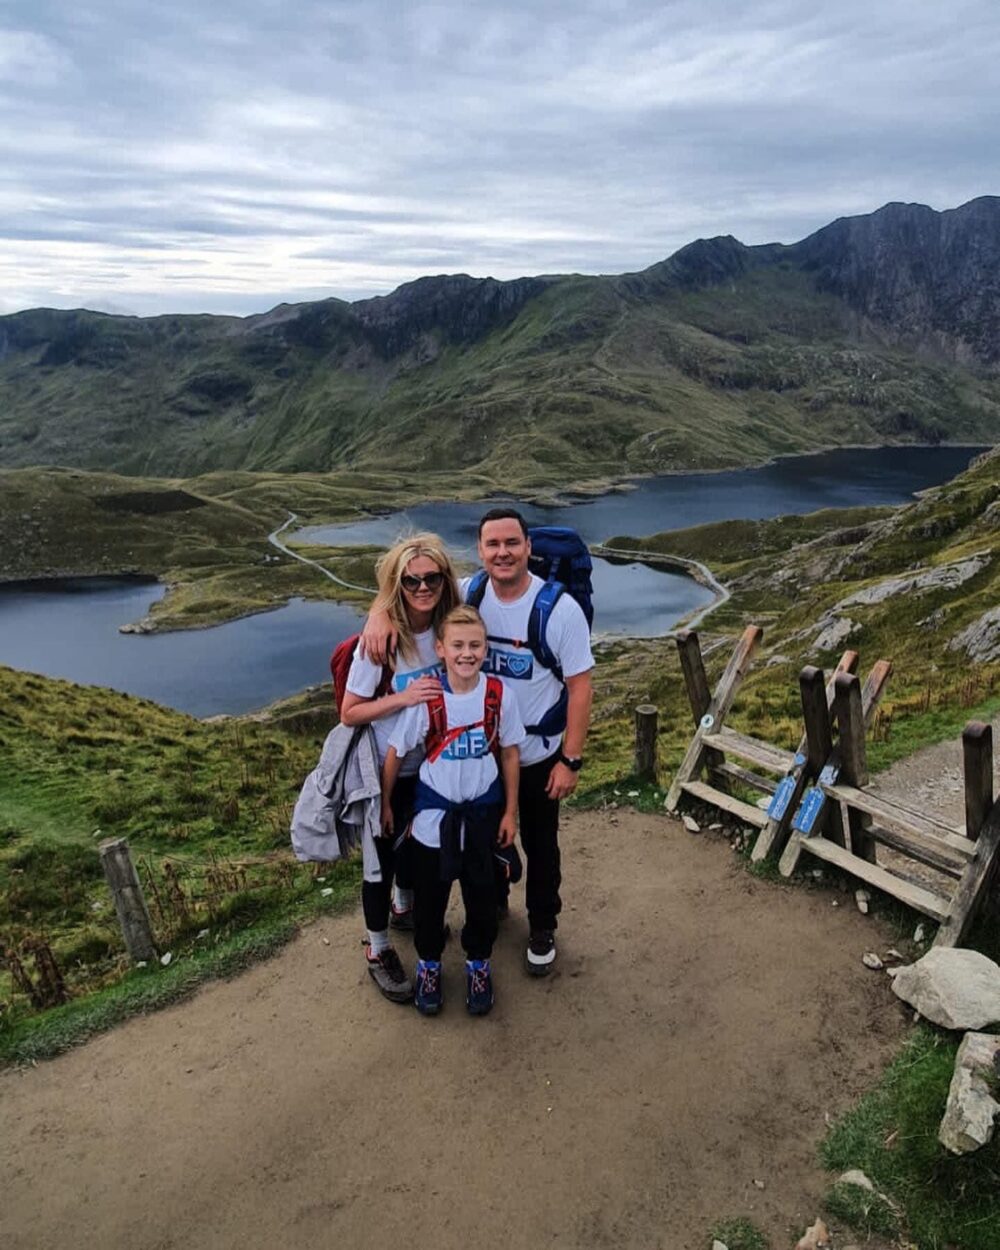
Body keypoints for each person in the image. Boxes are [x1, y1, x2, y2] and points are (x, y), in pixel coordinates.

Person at [363, 507, 594, 977]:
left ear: (529, 547)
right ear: (481, 551)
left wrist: (570, 759)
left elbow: (581, 686)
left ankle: (543, 925)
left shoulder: (560, 610)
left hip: (539, 753)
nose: (502, 553)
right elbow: (415, 591)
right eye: (492, 544)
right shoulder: (473, 591)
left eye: (512, 543)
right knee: (491, 841)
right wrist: (378, 613)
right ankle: (496, 904)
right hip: (487, 756)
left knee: (541, 842)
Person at [381, 605, 525, 1016]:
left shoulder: (499, 696)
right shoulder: (428, 701)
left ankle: (478, 962)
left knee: (482, 899)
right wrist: (385, 804)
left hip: (481, 819)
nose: (467, 653)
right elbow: (396, 753)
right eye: (457, 645)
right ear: (440, 649)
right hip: (432, 824)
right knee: (430, 901)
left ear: (485, 648)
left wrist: (510, 812)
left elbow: (511, 754)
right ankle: (429, 964)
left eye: (475, 645)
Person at [339, 533, 459, 1003]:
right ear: (398, 582)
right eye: (411, 580)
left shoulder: (450, 623)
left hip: (429, 765)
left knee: (416, 850)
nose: (423, 587)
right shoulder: (382, 640)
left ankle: (404, 911)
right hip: (383, 766)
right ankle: (378, 948)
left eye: (432, 577)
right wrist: (403, 697)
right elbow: (350, 711)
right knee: (380, 860)